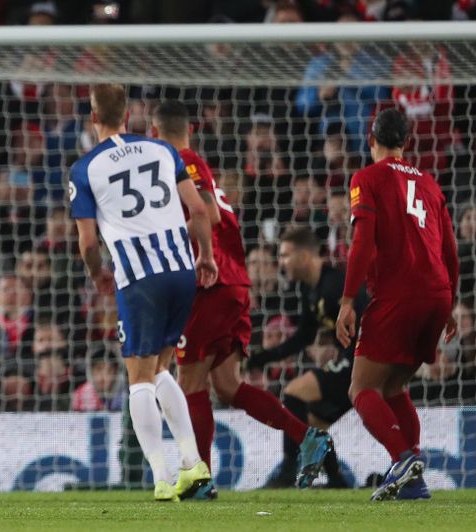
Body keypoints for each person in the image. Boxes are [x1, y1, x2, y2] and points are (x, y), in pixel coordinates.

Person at [151, 101, 332, 498]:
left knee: (189, 384)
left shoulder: (182, 161)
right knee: (228, 386)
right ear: (191, 128)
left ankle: (200, 479)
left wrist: (174, 245)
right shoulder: (191, 164)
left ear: (154, 133)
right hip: (232, 285)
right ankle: (308, 438)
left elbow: (208, 214)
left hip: (209, 282)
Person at [70, 84, 217, 502]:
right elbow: (200, 210)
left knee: (138, 379)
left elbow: (87, 243)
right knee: (161, 370)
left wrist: (98, 272)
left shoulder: (85, 169)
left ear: (93, 118)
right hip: (181, 271)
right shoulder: (163, 151)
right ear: (130, 114)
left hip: (139, 277)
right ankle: (192, 464)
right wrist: (205, 256)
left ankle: (160, 476)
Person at [336, 108, 459, 501]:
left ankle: (402, 458)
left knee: (361, 389)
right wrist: (450, 302)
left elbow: (363, 241)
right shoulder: (430, 184)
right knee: (394, 386)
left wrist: (347, 300)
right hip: (437, 295)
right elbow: (451, 251)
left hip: (398, 295)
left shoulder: (366, 178)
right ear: (407, 143)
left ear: (370, 140)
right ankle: (415, 479)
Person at [249, 227, 369, 489]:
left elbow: (368, 315)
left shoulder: (337, 284)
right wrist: (262, 358)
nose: (281, 262)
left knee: (294, 392)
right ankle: (337, 480)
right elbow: (302, 338)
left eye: (285, 255)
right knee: (314, 421)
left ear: (305, 256)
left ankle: (288, 471)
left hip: (366, 359)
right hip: (351, 361)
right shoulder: (309, 290)